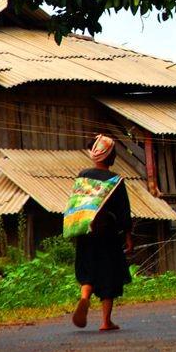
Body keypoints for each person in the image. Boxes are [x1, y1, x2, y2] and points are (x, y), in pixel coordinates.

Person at [70, 134, 133, 331]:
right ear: (111, 157)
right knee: (109, 274)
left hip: (86, 232)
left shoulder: (82, 177)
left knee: (88, 269)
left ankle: (84, 297)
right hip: (108, 234)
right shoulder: (115, 181)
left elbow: (75, 204)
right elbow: (124, 211)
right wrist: (128, 236)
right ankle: (106, 322)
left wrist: (75, 229)